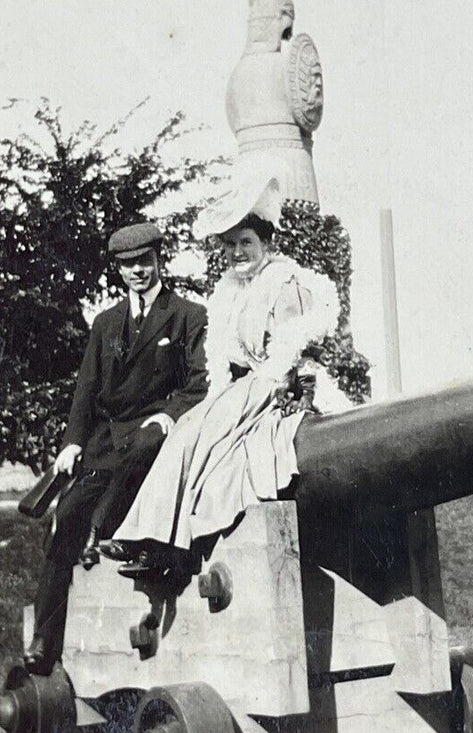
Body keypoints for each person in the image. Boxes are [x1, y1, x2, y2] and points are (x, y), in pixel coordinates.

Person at [106, 167, 342, 572]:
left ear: (266, 242)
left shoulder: (286, 282)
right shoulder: (228, 291)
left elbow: (294, 354)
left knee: (207, 439)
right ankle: (153, 537)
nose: (237, 253)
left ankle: (162, 541)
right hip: (247, 387)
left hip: (280, 386)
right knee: (188, 431)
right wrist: (221, 397)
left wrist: (259, 395)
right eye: (230, 245)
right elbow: (221, 358)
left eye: (246, 242)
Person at [20, 221, 208, 675]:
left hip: (152, 440)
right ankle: (45, 640)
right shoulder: (105, 324)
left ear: (159, 259)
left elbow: (198, 384)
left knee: (130, 464)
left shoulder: (187, 316)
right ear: (118, 270)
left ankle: (100, 534)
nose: (137, 272)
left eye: (144, 261)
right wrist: (72, 443)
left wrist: (167, 416)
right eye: (128, 266)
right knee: (65, 516)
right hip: (106, 443)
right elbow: (86, 391)